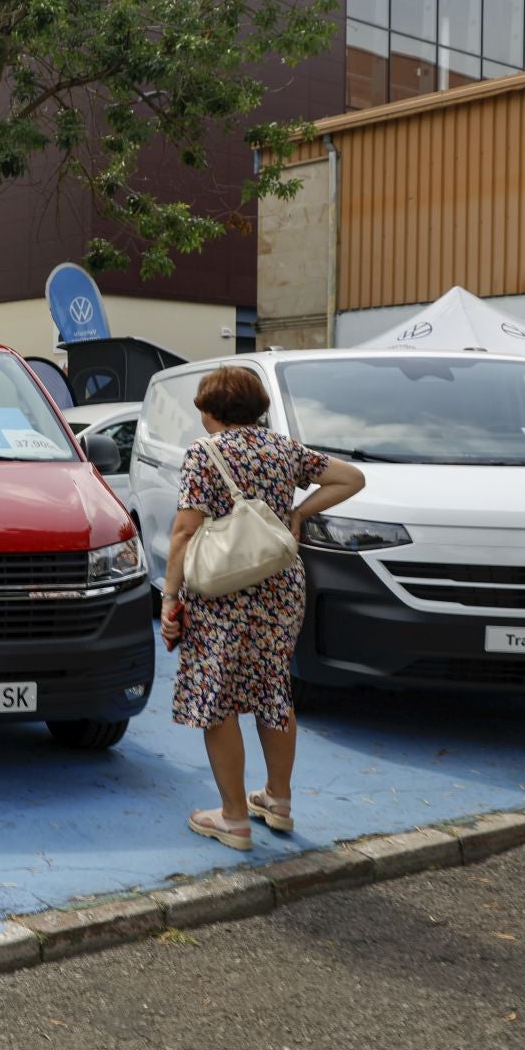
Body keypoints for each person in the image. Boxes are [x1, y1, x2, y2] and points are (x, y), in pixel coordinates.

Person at [159, 365, 365, 852]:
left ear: (210, 410)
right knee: (274, 688)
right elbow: (351, 478)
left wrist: (170, 596)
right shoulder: (283, 449)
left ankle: (233, 818)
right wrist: (297, 513)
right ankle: (278, 800)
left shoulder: (203, 453)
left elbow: (185, 533)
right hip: (279, 586)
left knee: (219, 699)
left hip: (222, 591)